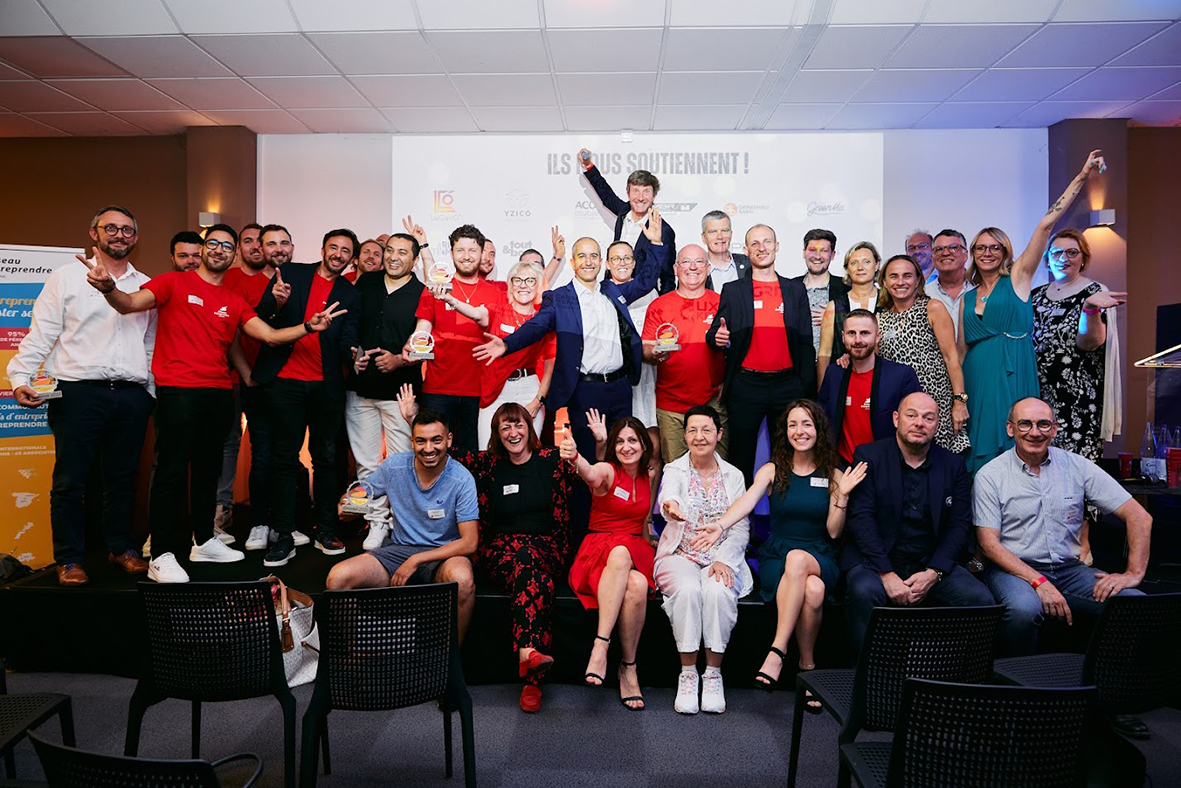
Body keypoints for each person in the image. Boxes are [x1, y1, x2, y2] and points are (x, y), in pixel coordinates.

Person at [84, 223, 345, 584]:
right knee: (171, 472)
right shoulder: (172, 282)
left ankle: (204, 540)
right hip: (179, 391)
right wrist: (109, 288)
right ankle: (161, 553)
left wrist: (308, 327)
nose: (220, 249)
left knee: (208, 471)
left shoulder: (233, 301)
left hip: (220, 392)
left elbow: (270, 336)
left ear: (234, 254)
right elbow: (128, 304)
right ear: (204, 248)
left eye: (227, 246)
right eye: (214, 243)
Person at [399, 388, 576, 712]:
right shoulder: (489, 464)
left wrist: (593, 448)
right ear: (497, 433)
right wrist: (413, 420)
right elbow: (441, 451)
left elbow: (593, 477)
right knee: (535, 578)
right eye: (505, 427)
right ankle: (531, 676)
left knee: (529, 565)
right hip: (500, 550)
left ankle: (527, 658)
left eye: (518, 424)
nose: (513, 432)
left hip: (547, 546)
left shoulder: (552, 460)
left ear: (530, 428)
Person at [8, 206, 156, 586]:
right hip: (77, 393)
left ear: (136, 237)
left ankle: (120, 548)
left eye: (127, 230)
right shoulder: (66, 277)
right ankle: (69, 558)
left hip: (130, 395)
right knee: (71, 482)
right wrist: (20, 377)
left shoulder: (146, 285)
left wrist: (150, 392)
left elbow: (151, 343)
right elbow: (41, 333)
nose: (119, 235)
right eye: (111, 228)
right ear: (94, 233)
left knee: (122, 479)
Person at [694, 401, 866, 707]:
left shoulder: (834, 474)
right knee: (813, 590)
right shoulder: (773, 469)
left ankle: (777, 650)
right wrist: (720, 526)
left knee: (799, 560)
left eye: (807, 424)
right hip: (778, 556)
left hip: (819, 554)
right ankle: (807, 669)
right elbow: (747, 501)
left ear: (818, 429)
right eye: (793, 425)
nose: (800, 431)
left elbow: (834, 532)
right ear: (785, 431)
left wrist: (842, 495)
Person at [474, 214, 670, 465]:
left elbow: (645, 281)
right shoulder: (559, 298)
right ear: (572, 262)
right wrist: (507, 343)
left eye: (593, 256)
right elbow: (537, 325)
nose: (588, 261)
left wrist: (655, 244)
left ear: (601, 262)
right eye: (582, 256)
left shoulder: (612, 291)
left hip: (621, 388)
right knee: (587, 458)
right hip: (586, 391)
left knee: (621, 456)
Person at [959, 149, 1107, 474]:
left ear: (1005, 251)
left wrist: (1082, 177)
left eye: (995, 247)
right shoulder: (967, 298)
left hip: (1011, 371)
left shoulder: (1018, 278)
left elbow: (1045, 225)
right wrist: (958, 398)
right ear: (972, 253)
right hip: (976, 378)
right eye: (980, 247)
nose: (987, 252)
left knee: (1014, 446)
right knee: (976, 452)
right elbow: (959, 352)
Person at [974, 397, 1151, 659]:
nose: (1035, 432)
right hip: (1013, 571)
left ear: (1055, 429)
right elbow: (988, 544)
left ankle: (1102, 678)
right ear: (1010, 429)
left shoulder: (1076, 466)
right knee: (1024, 611)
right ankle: (1018, 681)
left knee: (1135, 604)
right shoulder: (990, 476)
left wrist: (1132, 574)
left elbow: (1139, 516)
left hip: (1070, 571)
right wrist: (1038, 581)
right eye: (1025, 424)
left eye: (1043, 424)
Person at [842, 393, 994, 652]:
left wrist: (934, 573)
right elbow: (861, 519)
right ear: (896, 419)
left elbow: (959, 526)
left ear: (937, 425)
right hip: (877, 561)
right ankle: (867, 672)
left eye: (928, 418)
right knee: (864, 591)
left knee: (980, 599)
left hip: (930, 561)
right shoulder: (869, 456)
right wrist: (886, 574)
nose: (919, 423)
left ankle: (956, 673)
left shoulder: (953, 465)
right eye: (911, 415)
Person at [252, 229, 361, 567]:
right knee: (284, 460)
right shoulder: (292, 274)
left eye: (345, 251)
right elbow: (260, 316)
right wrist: (276, 302)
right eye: (334, 247)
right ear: (323, 249)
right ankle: (283, 535)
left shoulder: (349, 292)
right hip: (285, 383)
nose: (338, 254)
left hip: (326, 387)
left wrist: (354, 355)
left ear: (351, 258)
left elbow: (348, 338)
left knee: (326, 460)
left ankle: (325, 530)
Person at [327, 408, 478, 639]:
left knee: (463, 580)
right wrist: (349, 504)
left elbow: (469, 542)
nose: (428, 448)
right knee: (337, 578)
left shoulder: (462, 479)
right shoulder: (395, 466)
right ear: (412, 442)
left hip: (443, 555)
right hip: (398, 551)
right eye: (421, 441)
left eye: (436, 440)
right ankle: (356, 654)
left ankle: (452, 657)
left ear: (449, 440)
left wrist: (416, 560)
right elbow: (363, 492)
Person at [653, 405, 750, 714]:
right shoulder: (674, 470)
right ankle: (687, 674)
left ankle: (712, 674)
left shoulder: (734, 475)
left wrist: (724, 559)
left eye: (706, 430)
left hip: (720, 556)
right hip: (680, 554)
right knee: (689, 590)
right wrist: (671, 508)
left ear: (719, 434)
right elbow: (669, 496)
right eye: (692, 430)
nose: (699, 437)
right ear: (684, 436)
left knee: (717, 591)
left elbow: (741, 527)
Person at [561, 416, 658, 710]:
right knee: (622, 558)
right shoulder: (608, 471)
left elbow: (643, 519)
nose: (626, 447)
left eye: (632, 440)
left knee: (637, 580)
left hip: (635, 547)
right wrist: (576, 458)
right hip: (600, 551)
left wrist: (651, 544)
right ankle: (603, 647)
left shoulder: (650, 475)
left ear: (644, 445)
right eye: (620, 442)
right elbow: (591, 474)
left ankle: (627, 667)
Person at [707, 224, 815, 485]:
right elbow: (714, 333)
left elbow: (805, 342)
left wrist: (803, 386)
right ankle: (740, 510)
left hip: (787, 385)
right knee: (740, 456)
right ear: (745, 250)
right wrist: (717, 337)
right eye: (754, 243)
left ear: (776, 247)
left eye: (767, 241)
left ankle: (784, 507)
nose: (761, 248)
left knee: (788, 455)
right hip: (746, 385)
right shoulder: (733, 290)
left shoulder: (795, 289)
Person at [347, 233, 426, 551]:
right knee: (366, 463)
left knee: (401, 463)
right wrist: (353, 353)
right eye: (390, 250)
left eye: (402, 252)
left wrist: (399, 360)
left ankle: (400, 523)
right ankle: (376, 522)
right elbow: (351, 324)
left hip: (401, 391)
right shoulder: (366, 283)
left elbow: (427, 344)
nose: (393, 257)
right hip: (361, 389)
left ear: (414, 259)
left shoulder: (422, 292)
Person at [430, 259, 555, 447]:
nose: (523, 285)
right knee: (487, 450)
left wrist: (538, 400)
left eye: (530, 280)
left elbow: (550, 365)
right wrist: (450, 299)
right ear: (510, 285)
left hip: (529, 389)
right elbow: (475, 313)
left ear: (539, 286)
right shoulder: (498, 311)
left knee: (527, 451)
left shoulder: (544, 320)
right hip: (496, 389)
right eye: (518, 280)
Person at [1031, 229, 1126, 461]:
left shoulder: (1094, 292)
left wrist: (1089, 309)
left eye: (1072, 252)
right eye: (1057, 252)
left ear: (1083, 258)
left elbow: (1091, 343)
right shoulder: (1035, 295)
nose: (1064, 258)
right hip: (1039, 396)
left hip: (1077, 399)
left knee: (1074, 468)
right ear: (1047, 258)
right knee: (1040, 466)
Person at [408, 224, 502, 453]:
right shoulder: (434, 288)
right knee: (434, 453)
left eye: (472, 250)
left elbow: (484, 319)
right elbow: (423, 327)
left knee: (473, 455)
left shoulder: (495, 292)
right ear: (451, 253)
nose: (466, 256)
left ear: (481, 253)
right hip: (438, 388)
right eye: (460, 250)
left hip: (479, 391)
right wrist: (413, 343)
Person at [227, 223, 290, 551]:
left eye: (283, 243)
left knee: (286, 455)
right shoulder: (234, 281)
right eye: (253, 242)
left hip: (290, 383)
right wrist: (247, 374)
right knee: (262, 453)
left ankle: (284, 525)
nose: (271, 248)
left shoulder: (294, 278)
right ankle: (259, 523)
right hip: (255, 381)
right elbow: (233, 334)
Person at [876, 254, 970, 454]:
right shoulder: (880, 317)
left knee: (940, 460)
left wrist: (960, 402)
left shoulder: (932, 308)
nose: (900, 282)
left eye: (907, 276)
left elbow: (951, 358)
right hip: (899, 403)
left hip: (935, 400)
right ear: (884, 281)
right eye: (893, 276)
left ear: (918, 279)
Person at [642, 244, 727, 462]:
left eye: (699, 262)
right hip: (672, 406)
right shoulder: (659, 305)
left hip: (713, 403)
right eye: (686, 262)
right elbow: (646, 348)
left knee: (719, 470)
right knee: (675, 472)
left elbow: (738, 348)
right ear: (676, 269)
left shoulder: (722, 303)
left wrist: (729, 380)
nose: (692, 267)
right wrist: (655, 352)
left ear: (708, 268)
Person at [818, 310, 921, 465]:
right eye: (851, 333)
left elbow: (914, 425)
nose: (857, 340)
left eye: (865, 333)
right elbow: (822, 419)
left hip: (886, 466)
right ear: (843, 337)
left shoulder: (901, 376)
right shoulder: (834, 374)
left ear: (878, 336)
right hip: (843, 466)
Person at [579, 147, 677, 293]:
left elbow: (667, 277)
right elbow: (605, 194)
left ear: (654, 196)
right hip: (613, 291)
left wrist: (663, 305)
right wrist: (588, 165)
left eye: (646, 191)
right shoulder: (624, 212)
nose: (640, 197)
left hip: (643, 297)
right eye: (636, 191)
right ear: (628, 194)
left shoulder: (663, 230)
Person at [605, 239, 660, 452]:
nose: (622, 263)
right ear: (607, 264)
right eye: (616, 258)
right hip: (617, 377)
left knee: (651, 437)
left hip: (647, 374)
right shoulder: (601, 294)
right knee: (619, 438)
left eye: (627, 258)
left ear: (634, 262)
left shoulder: (650, 292)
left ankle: (652, 475)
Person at [817, 241, 880, 382]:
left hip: (884, 380)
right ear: (847, 269)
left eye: (866, 262)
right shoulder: (834, 306)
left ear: (877, 265)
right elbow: (824, 354)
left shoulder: (888, 303)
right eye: (854, 263)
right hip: (844, 380)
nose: (860, 267)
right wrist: (822, 391)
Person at [793, 229, 850, 353]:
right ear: (804, 253)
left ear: (833, 255)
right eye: (812, 250)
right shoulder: (790, 288)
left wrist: (835, 317)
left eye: (824, 251)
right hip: (797, 360)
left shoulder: (846, 289)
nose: (817, 256)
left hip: (836, 360)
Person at [926, 229, 973, 341]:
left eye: (953, 247)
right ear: (932, 258)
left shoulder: (980, 289)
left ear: (965, 255)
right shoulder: (924, 294)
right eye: (939, 249)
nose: (945, 253)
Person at [700, 210, 750, 291]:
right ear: (703, 238)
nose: (720, 237)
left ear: (731, 234)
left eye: (724, 231)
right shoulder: (696, 269)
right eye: (713, 232)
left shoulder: (748, 264)